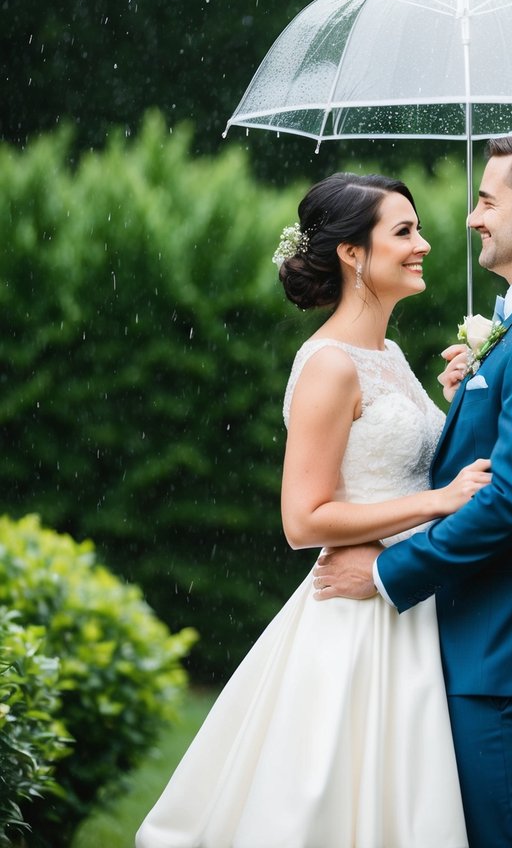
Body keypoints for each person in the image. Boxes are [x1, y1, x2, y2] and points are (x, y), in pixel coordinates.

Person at [135, 172, 491, 848]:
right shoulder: (329, 363)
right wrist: (439, 501)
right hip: (355, 618)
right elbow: (303, 519)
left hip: (406, 599)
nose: (424, 244)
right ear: (351, 254)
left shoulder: (385, 354)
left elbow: (390, 467)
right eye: (403, 231)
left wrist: (453, 403)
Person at [314, 135, 512, 848]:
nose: (471, 218)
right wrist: (472, 397)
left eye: (486, 200)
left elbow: (511, 500)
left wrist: (387, 573)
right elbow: (508, 463)